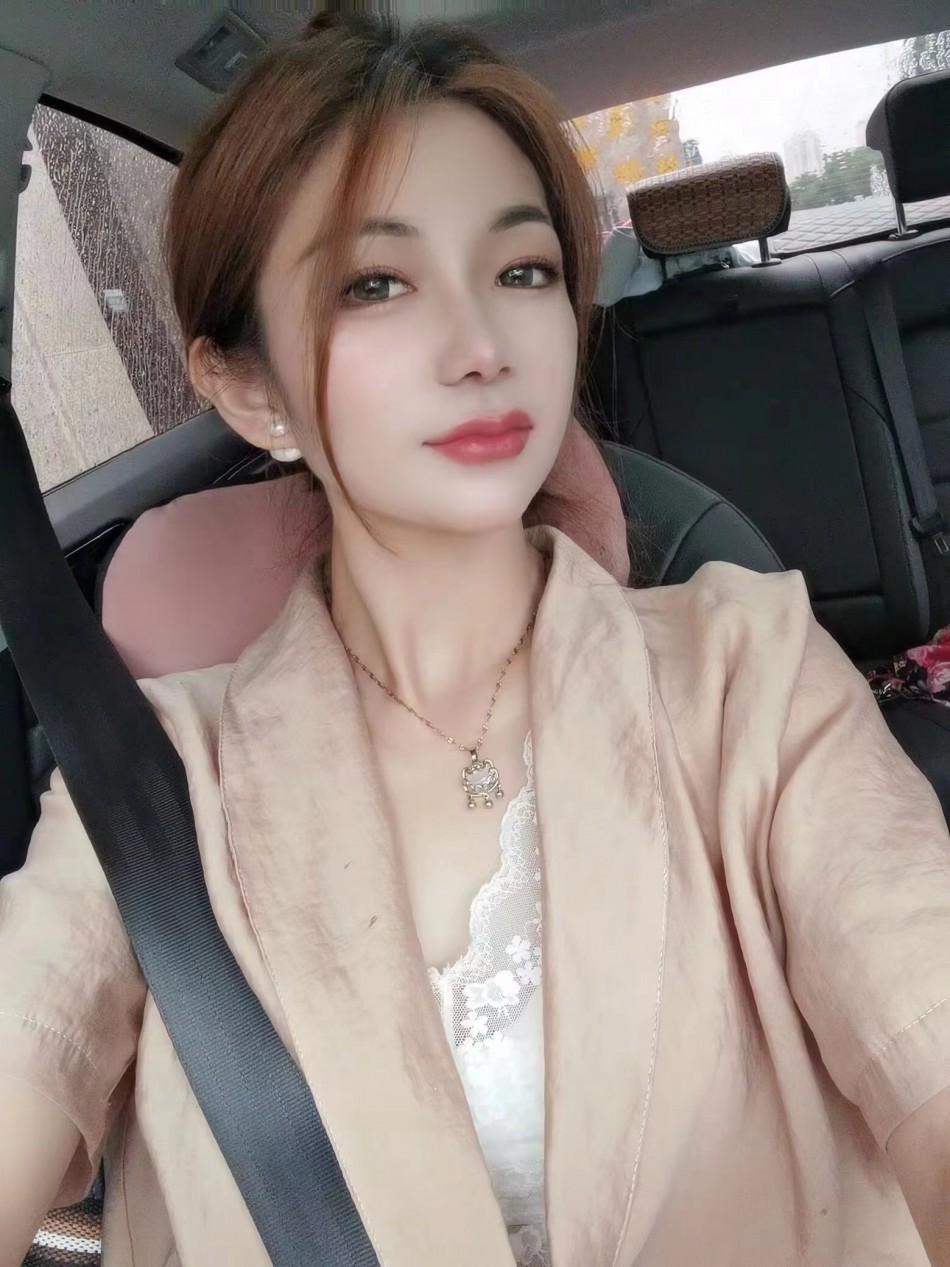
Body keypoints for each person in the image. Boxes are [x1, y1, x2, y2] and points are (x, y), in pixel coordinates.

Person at [1, 12, 949, 1267]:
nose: (481, 346)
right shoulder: (148, 785)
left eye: (523, 272)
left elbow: (919, 1000)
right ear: (247, 386)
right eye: (375, 283)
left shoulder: (750, 673)